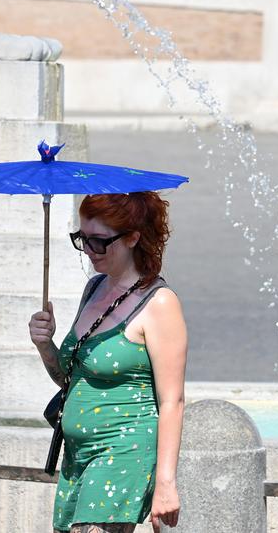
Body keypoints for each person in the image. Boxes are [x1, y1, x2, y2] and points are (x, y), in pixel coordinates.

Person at [28, 191, 187, 533]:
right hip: (78, 457)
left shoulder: (159, 303)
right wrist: (45, 345)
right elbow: (71, 379)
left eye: (99, 241)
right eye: (82, 238)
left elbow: (172, 401)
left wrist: (165, 483)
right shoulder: (95, 288)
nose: (88, 250)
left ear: (133, 237)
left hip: (124, 451)